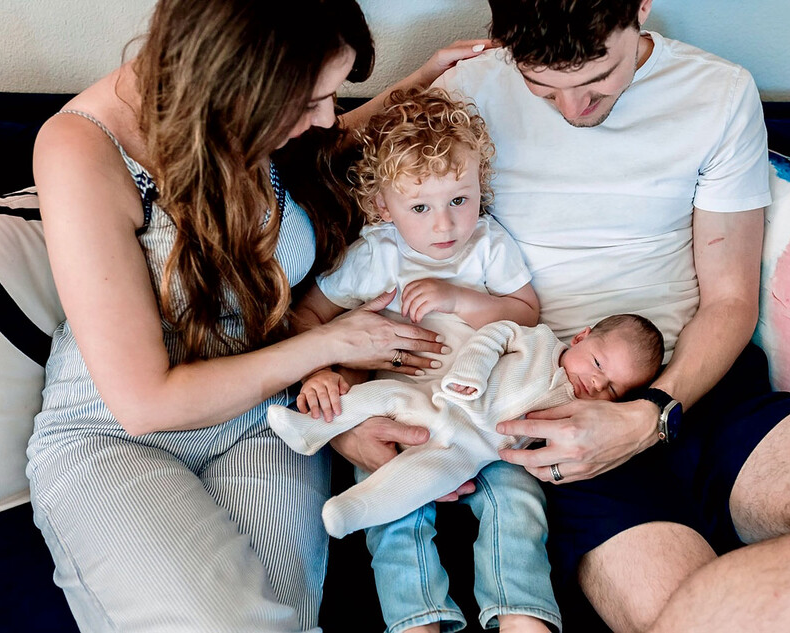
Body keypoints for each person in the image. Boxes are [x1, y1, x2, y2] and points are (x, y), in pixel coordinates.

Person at [417, 1, 790, 632]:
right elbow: (315, 173)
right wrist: (412, 85)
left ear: (641, 8)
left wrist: (651, 413)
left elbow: (730, 301)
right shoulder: (466, 92)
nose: (576, 111)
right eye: (544, 89)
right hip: (562, 419)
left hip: (702, 390)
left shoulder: (717, 93)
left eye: (598, 81)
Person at [27, 1, 491, 631]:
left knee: (288, 621)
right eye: (310, 101)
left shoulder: (255, 128)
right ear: (239, 82)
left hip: (259, 418)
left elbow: (328, 142)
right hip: (116, 434)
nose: (327, 118)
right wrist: (330, 343)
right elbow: (145, 403)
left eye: (332, 96)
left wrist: (418, 84)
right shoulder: (84, 147)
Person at [277, 86, 565, 633]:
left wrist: (461, 299)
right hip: (403, 413)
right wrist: (320, 371)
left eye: (459, 199)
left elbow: (527, 312)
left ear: (479, 185)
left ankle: (522, 614)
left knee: (518, 500)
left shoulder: (487, 244)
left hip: (484, 414)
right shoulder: (375, 256)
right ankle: (418, 619)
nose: (444, 225)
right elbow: (305, 316)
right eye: (420, 207)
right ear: (383, 206)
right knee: (392, 513)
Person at [269, 313, 664, 539]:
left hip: (471, 451)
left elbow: (557, 449)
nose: (596, 383)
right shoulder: (539, 341)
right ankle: (308, 427)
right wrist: (470, 373)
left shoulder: (580, 412)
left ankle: (352, 511)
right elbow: (493, 334)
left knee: (419, 480)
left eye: (612, 388)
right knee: (384, 395)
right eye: (597, 364)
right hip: (443, 400)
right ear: (581, 336)